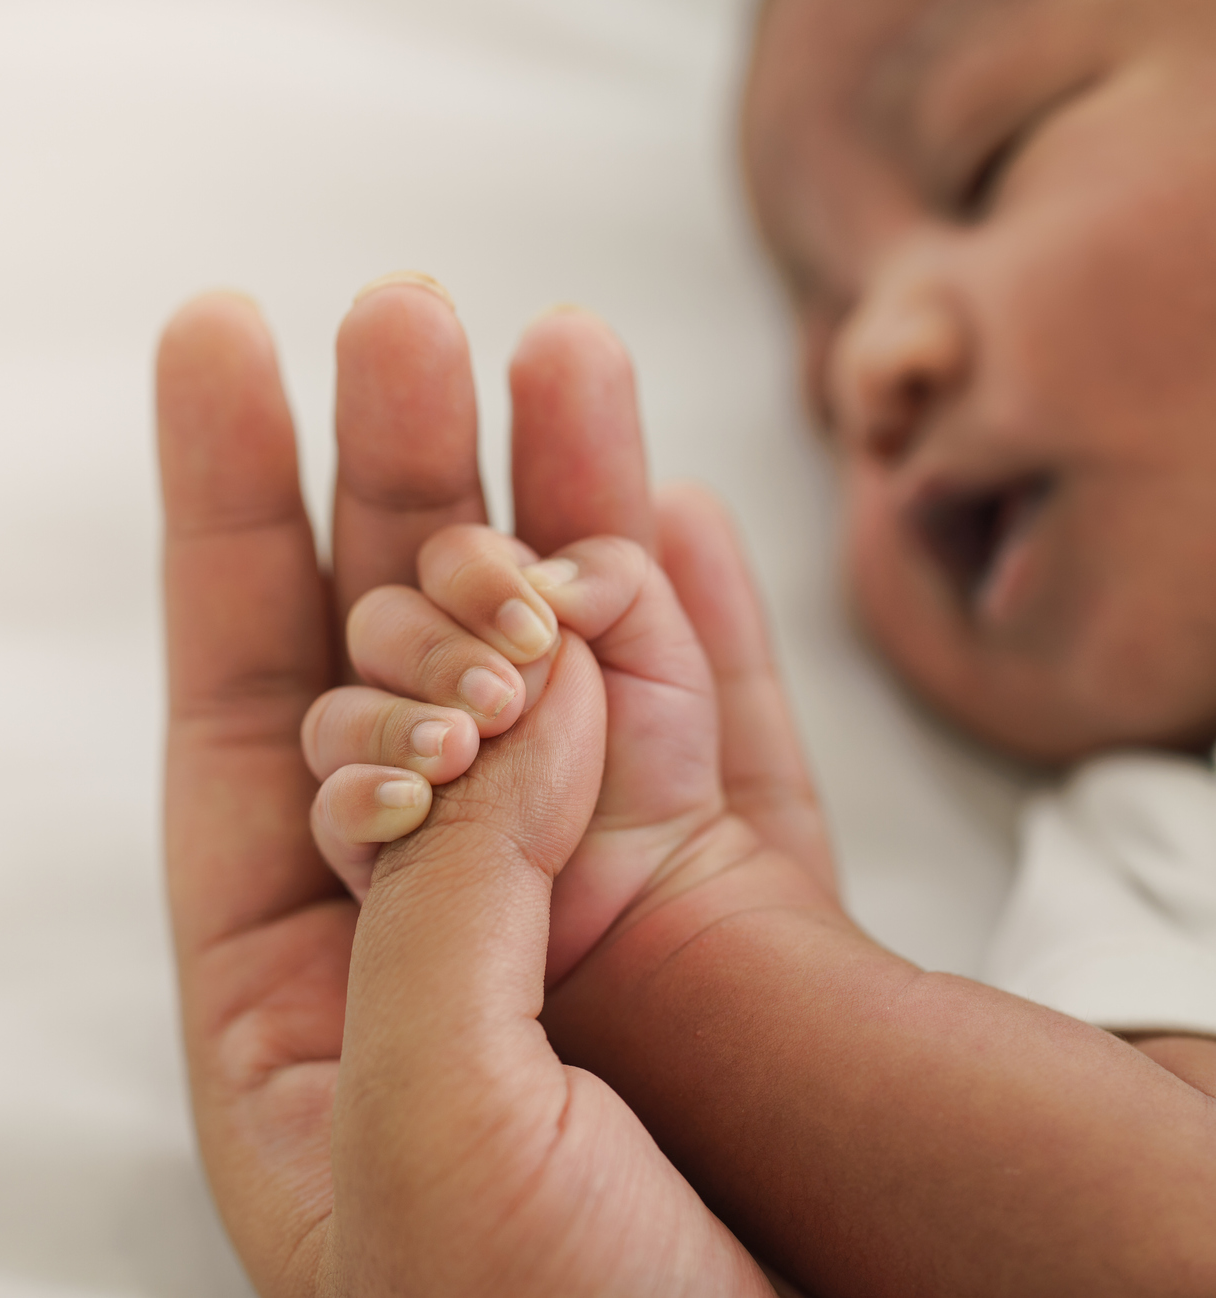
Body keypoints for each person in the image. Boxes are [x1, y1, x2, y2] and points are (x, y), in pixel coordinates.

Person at [152, 0, 1216, 1292]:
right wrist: (672, 937)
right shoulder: (1156, 856)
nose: (876, 361)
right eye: (821, 392)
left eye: (990, 156)